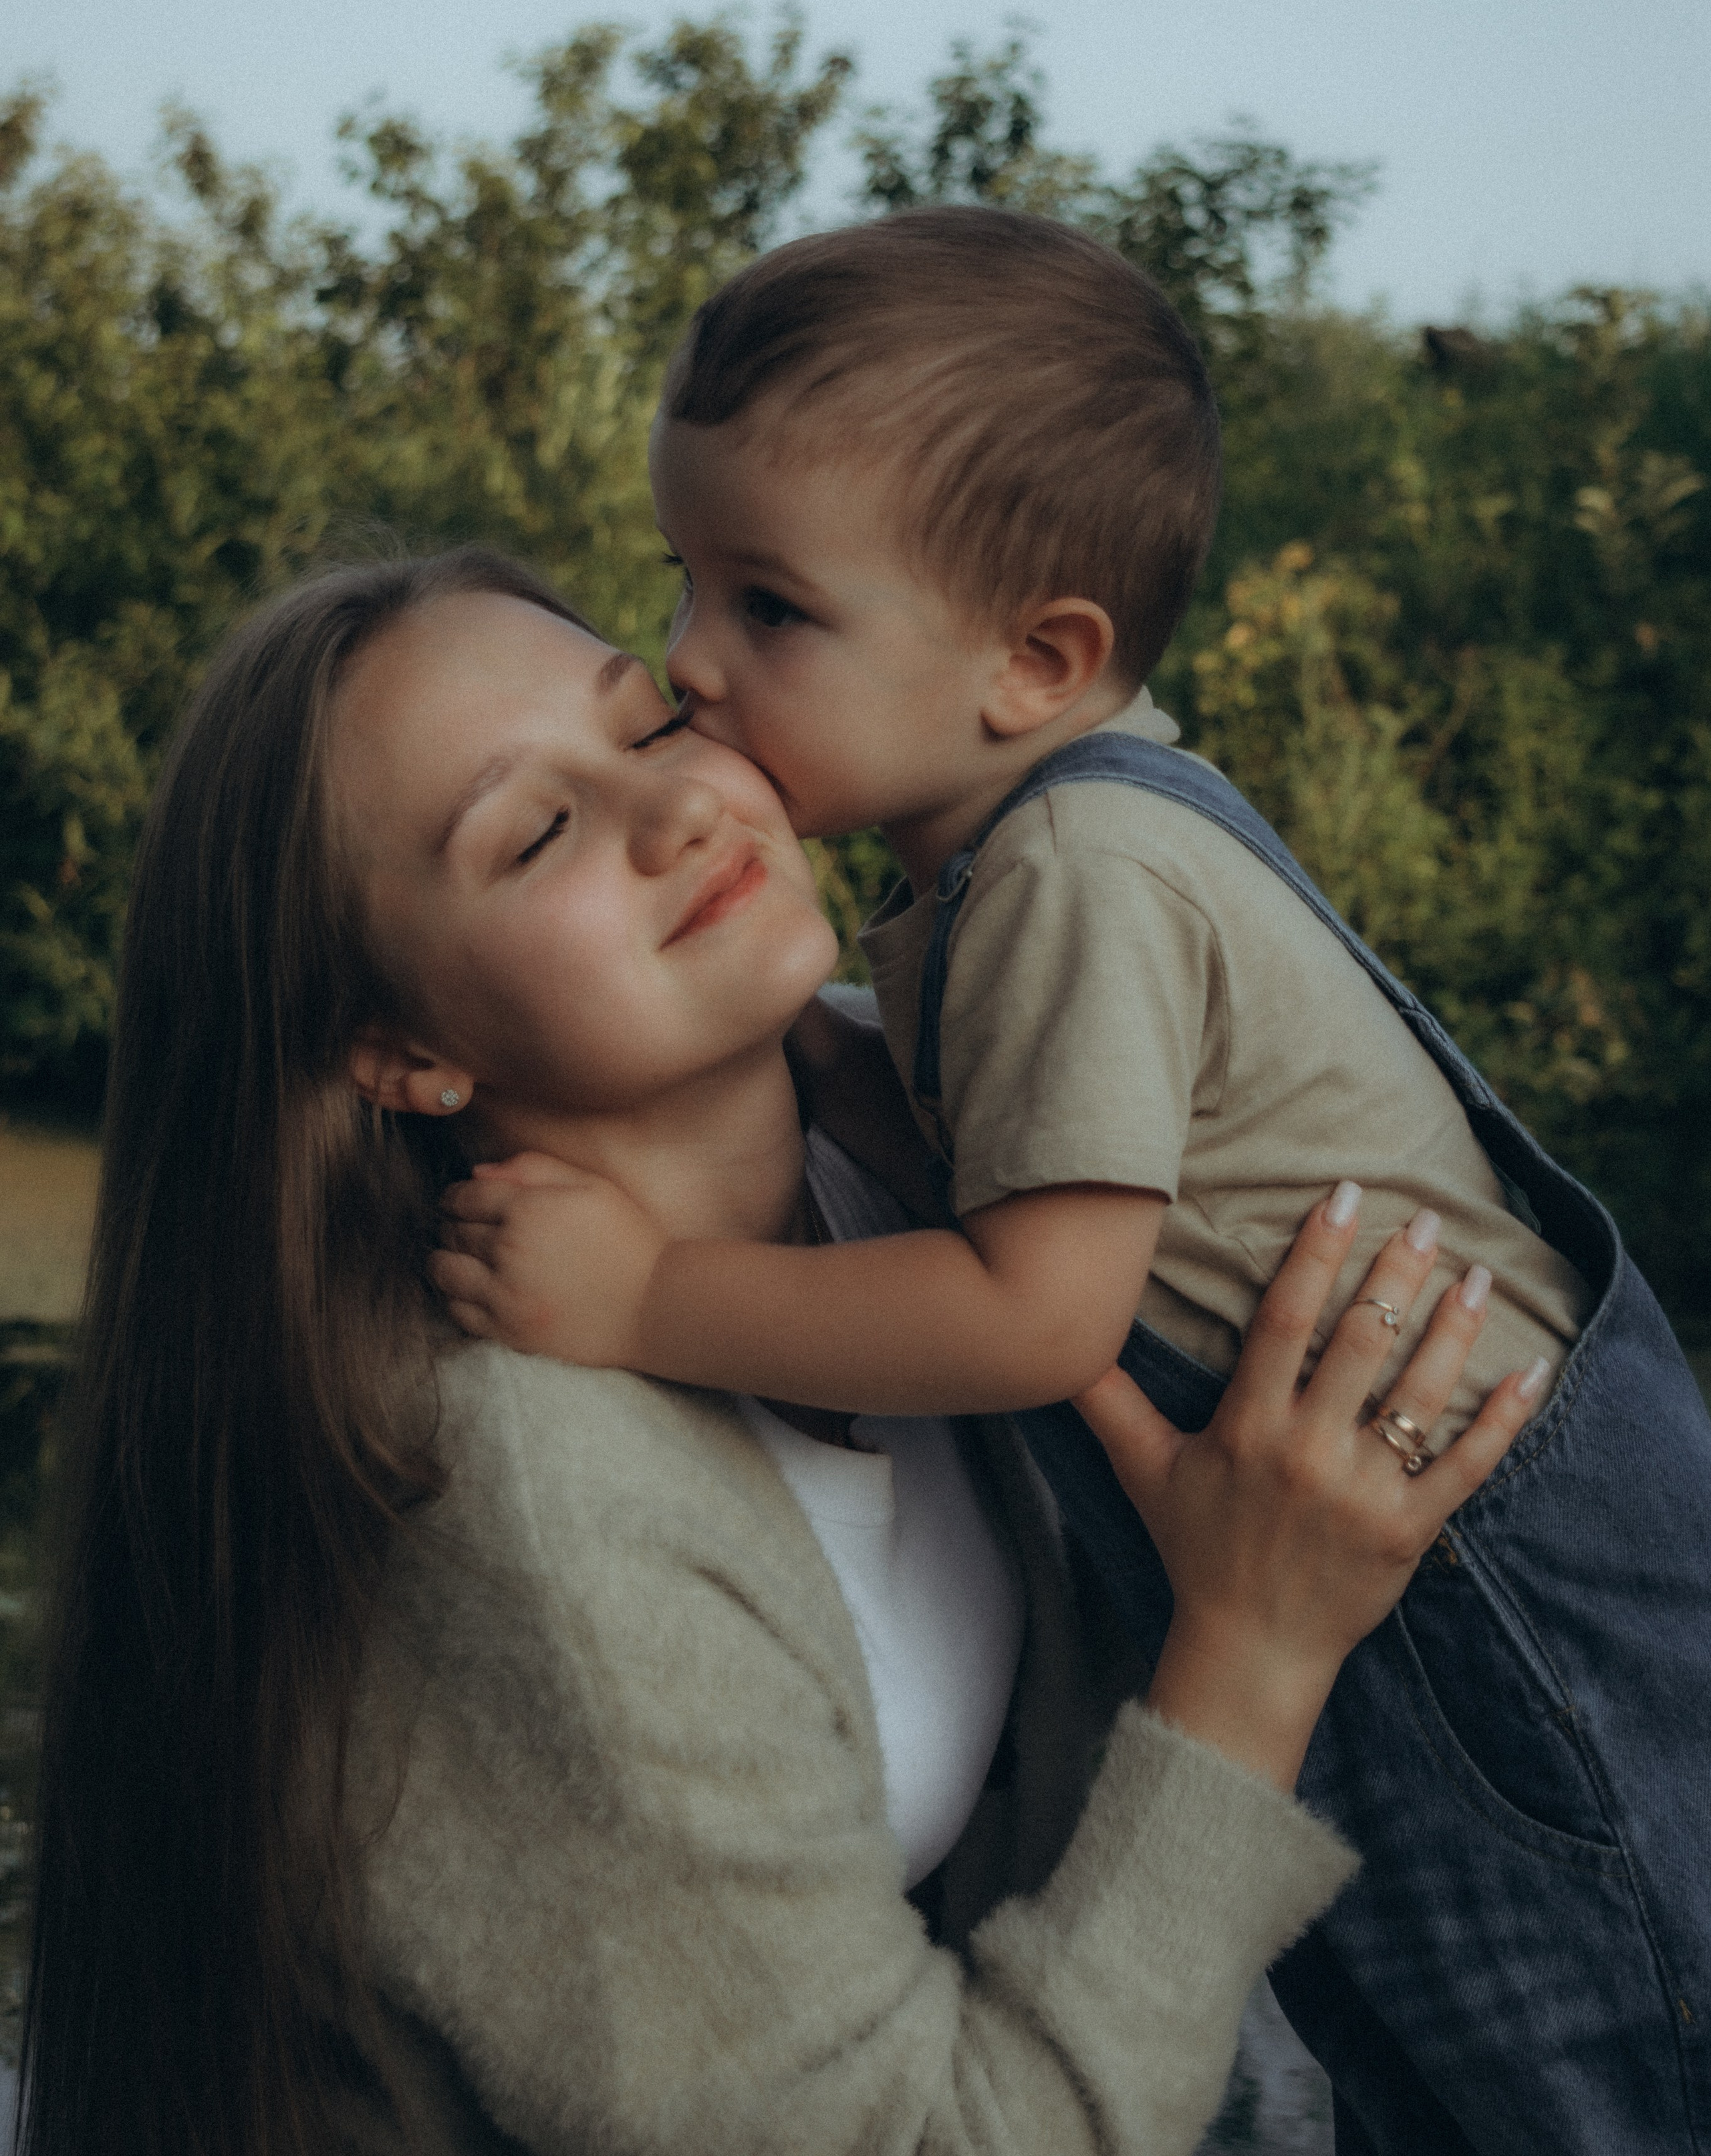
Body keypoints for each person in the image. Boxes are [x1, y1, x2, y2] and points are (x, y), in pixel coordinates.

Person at [438, 211, 1711, 2155]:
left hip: (1483, 1584)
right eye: (686, 582)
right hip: (1397, 1538)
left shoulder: (1069, 876)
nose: (693, 662)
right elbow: (1001, 1148)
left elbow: (1040, 1302)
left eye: (769, 606)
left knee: (1589, 2076)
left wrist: (637, 1300)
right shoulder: (1025, 848)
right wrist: (822, 1061)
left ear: (1036, 659)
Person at [20, 549, 1531, 2156]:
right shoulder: (514, 1497)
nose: (676, 811)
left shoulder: (931, 1169)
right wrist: (1252, 1655)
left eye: (654, 722)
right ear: (401, 1052)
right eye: (536, 830)